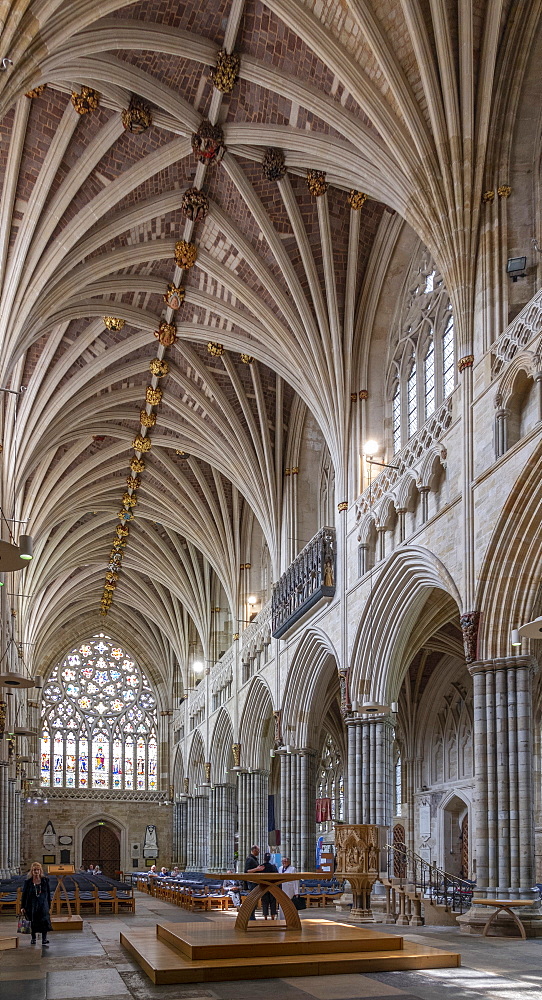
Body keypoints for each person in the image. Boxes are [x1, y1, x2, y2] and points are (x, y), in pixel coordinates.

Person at [21, 862, 52, 947]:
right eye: (34, 870)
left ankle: (44, 939)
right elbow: (24, 895)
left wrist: (49, 905)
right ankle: (33, 938)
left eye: (38, 870)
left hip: (43, 904)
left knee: (44, 921)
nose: (36, 871)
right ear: (32, 871)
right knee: (32, 921)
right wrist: (22, 906)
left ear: (40, 870)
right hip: (31, 904)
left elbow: (48, 894)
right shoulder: (28, 882)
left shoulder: (45, 880)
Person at [278, 855, 299, 920]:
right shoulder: (280, 868)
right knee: (281, 904)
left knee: (289, 904)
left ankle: (290, 918)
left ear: (289, 862)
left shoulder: (293, 869)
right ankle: (282, 918)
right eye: (283, 861)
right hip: (281, 888)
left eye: (286, 861)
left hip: (289, 889)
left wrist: (296, 892)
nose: (284, 862)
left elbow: (296, 880)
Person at [259, 852, 278, 920]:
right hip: (272, 886)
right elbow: (277, 876)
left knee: (265, 901)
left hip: (264, 886)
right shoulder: (273, 867)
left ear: (264, 858)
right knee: (273, 901)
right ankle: (273, 916)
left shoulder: (261, 867)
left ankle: (265, 917)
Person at [243, 845, 260, 920]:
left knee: (254, 900)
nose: (259, 852)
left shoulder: (254, 859)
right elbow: (247, 871)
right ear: (254, 850)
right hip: (251, 883)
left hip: (255, 882)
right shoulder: (249, 859)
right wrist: (257, 869)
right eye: (258, 850)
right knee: (252, 900)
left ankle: (252, 915)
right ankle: (250, 916)